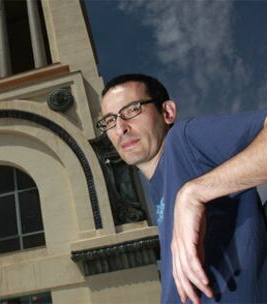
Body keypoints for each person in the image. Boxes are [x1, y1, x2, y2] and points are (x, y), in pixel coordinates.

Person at [97, 74, 267, 303]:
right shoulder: (158, 190)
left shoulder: (184, 141)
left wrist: (194, 193)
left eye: (132, 110)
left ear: (167, 112)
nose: (120, 128)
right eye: (109, 120)